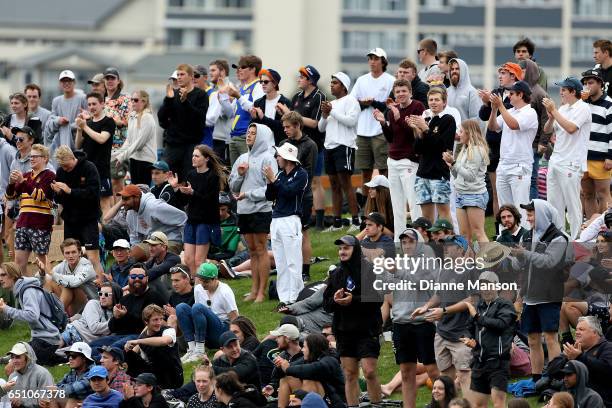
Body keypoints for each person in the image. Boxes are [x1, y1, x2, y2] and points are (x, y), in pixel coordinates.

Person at [323, 235, 383, 407]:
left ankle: (377, 404)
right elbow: (326, 305)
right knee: (349, 374)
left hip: (366, 329)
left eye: (346, 248)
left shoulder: (369, 270)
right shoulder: (335, 274)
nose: (342, 251)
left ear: (355, 249)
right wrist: (335, 300)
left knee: (370, 371)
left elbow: (377, 299)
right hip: (344, 331)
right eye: (340, 248)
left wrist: (353, 300)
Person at [513, 199, 568, 384]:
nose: (528, 219)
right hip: (530, 296)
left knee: (551, 337)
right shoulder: (526, 236)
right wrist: (514, 258)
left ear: (542, 214)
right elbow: (521, 265)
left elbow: (549, 262)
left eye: (531, 214)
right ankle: (537, 379)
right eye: (527, 214)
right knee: (533, 339)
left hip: (548, 295)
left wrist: (525, 254)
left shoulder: (558, 237)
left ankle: (556, 378)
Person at [384, 228, 439, 408]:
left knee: (432, 368)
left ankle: (446, 402)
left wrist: (397, 271)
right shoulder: (398, 262)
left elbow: (421, 283)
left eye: (411, 241)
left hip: (423, 322)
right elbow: (386, 290)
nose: (407, 245)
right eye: (404, 242)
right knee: (406, 371)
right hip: (401, 323)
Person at [229, 123, 277, 302]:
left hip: (261, 210)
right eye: (248, 133)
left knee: (261, 249)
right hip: (244, 210)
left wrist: (248, 194)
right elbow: (232, 185)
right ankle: (254, 289)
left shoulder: (268, 158)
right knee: (252, 251)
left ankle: (262, 292)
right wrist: (240, 174)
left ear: (262, 136)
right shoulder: (242, 157)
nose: (249, 136)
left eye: (253, 134)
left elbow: (270, 189)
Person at [277, 65, 326, 230]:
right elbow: (292, 118)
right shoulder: (297, 96)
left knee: (314, 181)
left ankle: (318, 220)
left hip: (314, 144)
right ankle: (299, 213)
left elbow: (315, 123)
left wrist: (293, 116)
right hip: (295, 145)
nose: (299, 79)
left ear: (310, 80)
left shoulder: (319, 96)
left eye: (302, 76)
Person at [375, 79, 425, 238]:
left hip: (409, 161)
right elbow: (391, 138)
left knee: (414, 203)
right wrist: (384, 123)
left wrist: (398, 118)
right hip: (393, 160)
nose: (401, 94)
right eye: (398, 92)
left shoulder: (417, 107)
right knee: (397, 206)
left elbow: (416, 134)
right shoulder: (391, 110)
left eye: (404, 91)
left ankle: (418, 239)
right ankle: (399, 242)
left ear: (410, 92)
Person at [543, 77, 592, 239]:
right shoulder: (563, 109)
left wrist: (555, 111)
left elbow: (571, 128)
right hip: (556, 161)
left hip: (572, 163)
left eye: (564, 90)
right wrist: (551, 116)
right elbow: (547, 130)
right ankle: (559, 238)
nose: (561, 92)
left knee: (573, 205)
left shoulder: (583, 108)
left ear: (573, 92)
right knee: (554, 204)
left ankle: (577, 239)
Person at [461, 271, 517, 408]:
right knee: (478, 405)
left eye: (488, 285)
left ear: (497, 286)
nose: (485, 289)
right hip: (479, 362)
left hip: (497, 362)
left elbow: (500, 324)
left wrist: (477, 318)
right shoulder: (479, 306)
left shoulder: (505, 304)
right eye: (482, 286)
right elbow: (468, 328)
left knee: (498, 404)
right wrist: (469, 339)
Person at [89, 263, 166, 361]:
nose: (136, 279)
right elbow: (112, 327)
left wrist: (125, 315)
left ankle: (96, 361)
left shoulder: (154, 297)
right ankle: (89, 359)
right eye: (133, 276)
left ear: (146, 278)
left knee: (112, 348)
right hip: (119, 335)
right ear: (128, 278)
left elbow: (148, 325)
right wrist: (116, 317)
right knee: (91, 346)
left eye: (140, 276)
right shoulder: (125, 299)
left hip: (139, 336)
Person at [169, 145, 225, 278]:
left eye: (197, 156)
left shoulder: (213, 176)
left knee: (199, 260)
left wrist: (193, 192)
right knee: (188, 260)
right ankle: (195, 286)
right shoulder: (191, 174)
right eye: (193, 155)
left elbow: (209, 200)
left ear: (206, 159)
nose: (193, 158)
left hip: (206, 222)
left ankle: (201, 288)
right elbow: (183, 201)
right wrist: (176, 188)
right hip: (192, 221)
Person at [487, 81, 538, 221]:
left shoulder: (530, 112)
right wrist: (493, 109)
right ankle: (507, 240)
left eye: (511, 93)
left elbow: (514, 124)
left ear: (520, 94)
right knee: (505, 209)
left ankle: (524, 241)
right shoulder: (509, 111)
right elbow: (493, 127)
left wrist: (501, 106)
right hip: (504, 164)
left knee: (521, 207)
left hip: (520, 165)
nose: (508, 96)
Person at [479, 62, 523, 220]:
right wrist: (486, 103)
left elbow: (510, 113)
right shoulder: (497, 92)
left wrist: (495, 104)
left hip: (510, 149)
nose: (500, 76)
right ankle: (500, 228)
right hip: (493, 146)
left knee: (514, 194)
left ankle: (516, 226)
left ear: (513, 76)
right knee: (497, 192)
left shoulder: (520, 93)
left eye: (504, 73)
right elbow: (484, 116)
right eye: (500, 73)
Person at [52, 146, 104, 280]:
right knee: (71, 258)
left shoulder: (89, 168)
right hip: (70, 220)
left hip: (88, 219)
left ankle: (102, 289)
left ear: (72, 158)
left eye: (66, 166)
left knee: (92, 258)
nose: (65, 169)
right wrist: (58, 193)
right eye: (62, 166)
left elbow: (94, 194)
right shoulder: (61, 172)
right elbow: (59, 200)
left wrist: (70, 191)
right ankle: (77, 288)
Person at [265, 143, 308, 305]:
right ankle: (284, 299)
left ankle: (296, 297)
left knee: (293, 261)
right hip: (275, 220)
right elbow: (269, 196)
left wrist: (274, 180)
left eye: (279, 156)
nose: (277, 158)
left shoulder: (301, 174)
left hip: (291, 219)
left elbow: (289, 192)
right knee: (281, 262)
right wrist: (270, 182)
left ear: (287, 159)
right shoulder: (280, 175)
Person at [318, 72, 361, 232]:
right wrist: (324, 115)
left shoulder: (351, 101)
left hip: (344, 146)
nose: (331, 85)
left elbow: (351, 122)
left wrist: (332, 112)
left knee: (346, 184)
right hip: (329, 147)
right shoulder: (331, 103)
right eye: (331, 83)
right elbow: (321, 127)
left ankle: (356, 221)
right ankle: (336, 222)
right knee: (334, 184)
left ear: (343, 86)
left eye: (335, 83)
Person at [0, 262, 63, 366]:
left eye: (3, 275)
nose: (0, 279)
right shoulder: (23, 288)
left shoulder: (27, 291)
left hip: (48, 339)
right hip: (41, 337)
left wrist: (6, 309)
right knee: (21, 349)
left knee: (25, 357)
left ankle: (62, 356)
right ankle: (12, 357)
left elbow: (32, 316)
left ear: (13, 275)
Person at [279, 111, 317, 281]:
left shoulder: (310, 145)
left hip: (303, 195)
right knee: (288, 234)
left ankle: (305, 270)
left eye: (288, 127)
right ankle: (290, 269)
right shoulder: (283, 143)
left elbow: (309, 173)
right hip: (284, 194)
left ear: (297, 126)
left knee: (303, 232)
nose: (285, 130)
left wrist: (296, 188)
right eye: (284, 127)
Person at [5, 143, 55, 274]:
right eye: (31, 156)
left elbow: (40, 196)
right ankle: (25, 293)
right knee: (19, 263)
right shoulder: (26, 175)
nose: (31, 159)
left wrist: (22, 182)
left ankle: (49, 291)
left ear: (45, 158)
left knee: (42, 262)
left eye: (35, 156)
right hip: (22, 224)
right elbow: (10, 197)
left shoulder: (49, 176)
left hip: (40, 225)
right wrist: (10, 183)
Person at [408, 87, 456, 222]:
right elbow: (417, 149)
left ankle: (448, 242)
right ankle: (430, 243)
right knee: (426, 218)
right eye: (431, 99)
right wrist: (417, 131)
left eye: (437, 100)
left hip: (439, 173)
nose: (433, 102)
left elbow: (442, 146)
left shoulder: (448, 120)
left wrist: (425, 129)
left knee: (444, 214)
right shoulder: (427, 119)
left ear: (444, 103)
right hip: (423, 172)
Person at [351, 48, 396, 192]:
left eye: (376, 59)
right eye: (370, 58)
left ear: (383, 62)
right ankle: (366, 207)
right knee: (365, 172)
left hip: (380, 131)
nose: (372, 62)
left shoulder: (391, 80)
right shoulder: (361, 80)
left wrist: (373, 103)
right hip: (362, 131)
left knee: (383, 170)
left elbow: (391, 106)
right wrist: (363, 104)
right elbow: (352, 103)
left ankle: (384, 205)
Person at [176, 263, 238, 362]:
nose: (203, 284)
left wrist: (235, 341)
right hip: (205, 333)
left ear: (215, 278)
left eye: (206, 281)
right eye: (201, 280)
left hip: (222, 331)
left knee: (197, 307)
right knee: (181, 308)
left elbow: (235, 318)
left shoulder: (225, 291)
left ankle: (200, 351)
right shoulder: (198, 289)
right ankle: (192, 349)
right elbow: (196, 316)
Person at [158, 63, 208, 180]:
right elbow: (162, 121)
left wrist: (185, 102)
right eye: (178, 75)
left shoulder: (201, 95)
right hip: (173, 145)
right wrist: (168, 100)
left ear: (191, 76)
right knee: (169, 180)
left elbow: (199, 119)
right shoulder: (173, 95)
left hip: (191, 145)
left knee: (189, 180)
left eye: (182, 74)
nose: (179, 77)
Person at [443, 119, 490, 243]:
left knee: (478, 232)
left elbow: (470, 176)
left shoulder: (477, 150)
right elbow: (458, 174)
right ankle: (467, 261)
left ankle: (489, 261)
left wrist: (454, 162)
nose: (459, 134)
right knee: (464, 235)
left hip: (474, 195)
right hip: (461, 194)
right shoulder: (464, 148)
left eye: (461, 131)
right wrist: (450, 164)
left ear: (469, 133)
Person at [124, 304, 183, 389]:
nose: (159, 322)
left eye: (161, 319)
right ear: (146, 322)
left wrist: (138, 341)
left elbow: (165, 341)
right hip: (156, 374)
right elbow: (144, 359)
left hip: (173, 376)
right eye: (155, 320)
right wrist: (127, 349)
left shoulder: (168, 330)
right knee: (129, 355)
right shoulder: (143, 337)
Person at [279, 333, 346, 408]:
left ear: (312, 348)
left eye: (304, 347)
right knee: (286, 379)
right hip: (322, 398)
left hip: (337, 402)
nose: (302, 349)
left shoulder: (330, 359)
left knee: (309, 379)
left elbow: (313, 369)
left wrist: (288, 369)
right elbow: (284, 370)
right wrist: (280, 365)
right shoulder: (311, 358)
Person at [75, 92, 116, 213]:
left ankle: (107, 231)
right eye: (89, 104)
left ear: (102, 104)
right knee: (87, 202)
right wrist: (79, 129)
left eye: (94, 104)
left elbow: (102, 139)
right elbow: (78, 145)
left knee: (104, 203)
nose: (91, 107)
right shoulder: (88, 123)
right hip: (87, 169)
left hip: (102, 169)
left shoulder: (108, 121)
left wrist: (85, 127)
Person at [581, 68, 612, 218]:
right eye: (585, 83)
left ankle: (605, 229)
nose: (587, 86)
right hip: (583, 157)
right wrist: (580, 101)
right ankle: (590, 230)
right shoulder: (582, 104)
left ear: (600, 84)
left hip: (601, 157)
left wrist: (610, 156)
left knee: (603, 194)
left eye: (591, 82)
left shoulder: (609, 104)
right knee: (587, 194)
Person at [562, 316, 612, 407]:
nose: (576, 332)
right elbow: (552, 370)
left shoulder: (608, 347)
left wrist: (580, 357)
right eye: (576, 329)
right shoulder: (574, 349)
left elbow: (607, 369)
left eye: (581, 329)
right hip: (574, 396)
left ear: (594, 332)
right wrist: (566, 359)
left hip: (599, 401)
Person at [223, 55, 264, 165]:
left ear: (253, 69)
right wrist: (224, 99)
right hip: (235, 136)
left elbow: (255, 109)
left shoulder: (258, 86)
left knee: (247, 171)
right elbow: (233, 113)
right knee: (235, 175)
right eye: (238, 68)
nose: (238, 70)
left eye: (242, 67)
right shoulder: (242, 88)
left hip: (246, 136)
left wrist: (238, 96)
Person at [120, 184, 187, 251]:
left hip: (171, 240)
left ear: (136, 198)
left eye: (126, 199)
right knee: (131, 254)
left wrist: (185, 243)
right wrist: (134, 250)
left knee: (137, 253)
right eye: (122, 199)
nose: (122, 203)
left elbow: (183, 218)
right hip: (152, 242)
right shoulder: (130, 213)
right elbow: (134, 236)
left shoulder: (154, 207)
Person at [41, 238, 97, 313]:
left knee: (69, 286)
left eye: (73, 252)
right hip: (71, 305)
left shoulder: (86, 266)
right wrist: (42, 272)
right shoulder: (64, 264)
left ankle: (57, 314)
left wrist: (51, 273)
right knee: (48, 280)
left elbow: (74, 282)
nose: (70, 256)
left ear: (80, 253)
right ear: (63, 254)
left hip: (90, 306)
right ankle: (48, 311)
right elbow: (46, 277)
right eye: (67, 253)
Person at [113, 90, 157, 186]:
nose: (133, 102)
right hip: (134, 159)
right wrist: (115, 155)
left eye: (136, 100)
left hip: (145, 161)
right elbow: (129, 141)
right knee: (135, 191)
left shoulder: (147, 117)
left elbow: (139, 143)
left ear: (144, 102)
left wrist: (122, 157)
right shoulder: (132, 116)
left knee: (142, 191)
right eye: (131, 100)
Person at [58, 281, 120, 347]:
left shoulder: (118, 314)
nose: (102, 297)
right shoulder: (93, 304)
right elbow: (94, 328)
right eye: (100, 293)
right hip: (74, 332)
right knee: (54, 349)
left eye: (106, 294)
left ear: (115, 296)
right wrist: (114, 322)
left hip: (86, 346)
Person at [45, 70, 87, 156]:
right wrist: (59, 120)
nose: (66, 83)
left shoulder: (83, 98)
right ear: (60, 84)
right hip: (61, 143)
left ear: (74, 82)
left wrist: (75, 123)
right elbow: (50, 122)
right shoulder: (56, 101)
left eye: (69, 81)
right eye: (64, 81)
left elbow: (88, 117)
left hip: (79, 143)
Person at [0, 342, 54, 408]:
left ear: (27, 357)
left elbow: (46, 401)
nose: (14, 361)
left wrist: (22, 401)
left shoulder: (42, 374)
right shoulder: (12, 376)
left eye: (18, 357)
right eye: (12, 357)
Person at [263, 324, 304, 406]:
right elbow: (275, 380)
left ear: (287, 339)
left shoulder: (305, 356)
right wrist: (272, 387)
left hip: (299, 399)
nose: (276, 339)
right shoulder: (282, 355)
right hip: (283, 398)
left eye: (279, 337)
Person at [250, 68, 291, 145]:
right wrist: (254, 118)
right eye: (261, 81)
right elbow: (254, 126)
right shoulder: (258, 102)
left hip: (278, 145)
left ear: (275, 84)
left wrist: (263, 118)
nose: (262, 84)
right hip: (261, 145)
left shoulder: (285, 102)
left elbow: (283, 128)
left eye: (265, 82)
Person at [143, 231, 182, 296]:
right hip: (160, 297)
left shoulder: (174, 259)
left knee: (150, 279)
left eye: (153, 245)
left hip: (173, 297)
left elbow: (157, 271)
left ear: (164, 247)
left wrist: (139, 277)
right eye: (149, 245)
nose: (150, 248)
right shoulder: (151, 262)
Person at [208, 193, 240, 262]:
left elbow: (231, 252)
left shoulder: (235, 224)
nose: (220, 213)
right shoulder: (205, 220)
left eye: (223, 209)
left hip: (224, 258)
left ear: (228, 209)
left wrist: (212, 257)